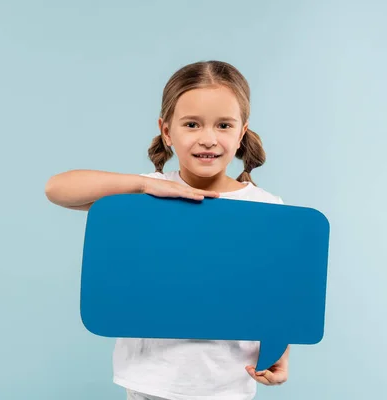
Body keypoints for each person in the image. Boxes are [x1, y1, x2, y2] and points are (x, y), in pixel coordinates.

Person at [44, 60, 290, 400]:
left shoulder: (266, 207)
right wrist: (145, 187)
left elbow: (278, 293)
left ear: (241, 133)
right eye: (192, 124)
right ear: (167, 131)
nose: (208, 139)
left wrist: (280, 352)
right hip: (151, 380)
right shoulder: (147, 194)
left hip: (228, 384)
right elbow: (57, 189)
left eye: (223, 125)